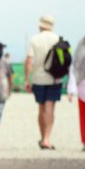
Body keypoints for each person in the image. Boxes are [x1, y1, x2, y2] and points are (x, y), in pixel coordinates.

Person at [24, 14, 63, 150]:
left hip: (38, 79)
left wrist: (27, 79)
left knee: (41, 109)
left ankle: (42, 138)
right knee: (50, 108)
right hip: (55, 78)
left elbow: (29, 60)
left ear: (40, 25)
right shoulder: (58, 39)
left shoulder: (34, 39)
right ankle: (47, 138)